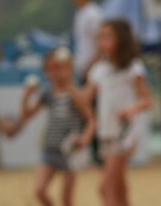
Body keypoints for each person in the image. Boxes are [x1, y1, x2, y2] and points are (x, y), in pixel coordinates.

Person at [6, 48, 95, 206]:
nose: (53, 73)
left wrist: (85, 138)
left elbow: (90, 119)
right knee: (39, 190)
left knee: (66, 198)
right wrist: (25, 98)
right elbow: (27, 116)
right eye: (50, 69)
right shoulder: (48, 93)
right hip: (50, 148)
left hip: (70, 152)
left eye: (57, 68)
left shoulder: (73, 92)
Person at [79, 19, 151, 206]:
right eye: (100, 37)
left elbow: (146, 100)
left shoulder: (133, 67)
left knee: (106, 188)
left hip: (124, 134)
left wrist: (130, 110)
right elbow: (84, 98)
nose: (102, 41)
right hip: (106, 134)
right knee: (119, 190)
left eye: (107, 36)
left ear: (121, 38)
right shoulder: (99, 69)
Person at [72, 0, 103, 165]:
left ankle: (98, 153)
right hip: (84, 70)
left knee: (93, 111)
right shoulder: (81, 13)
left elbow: (100, 45)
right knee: (87, 110)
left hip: (91, 71)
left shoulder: (93, 14)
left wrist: (90, 68)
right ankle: (91, 151)